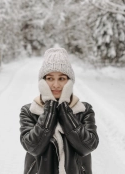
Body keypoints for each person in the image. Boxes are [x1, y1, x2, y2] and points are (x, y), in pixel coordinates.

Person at [19, 46, 99, 174]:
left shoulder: (84, 110)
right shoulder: (29, 111)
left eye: (61, 78)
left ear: (69, 81)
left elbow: (88, 146)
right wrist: (50, 110)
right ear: (42, 82)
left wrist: (64, 111)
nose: (56, 85)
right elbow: (32, 147)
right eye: (50, 78)